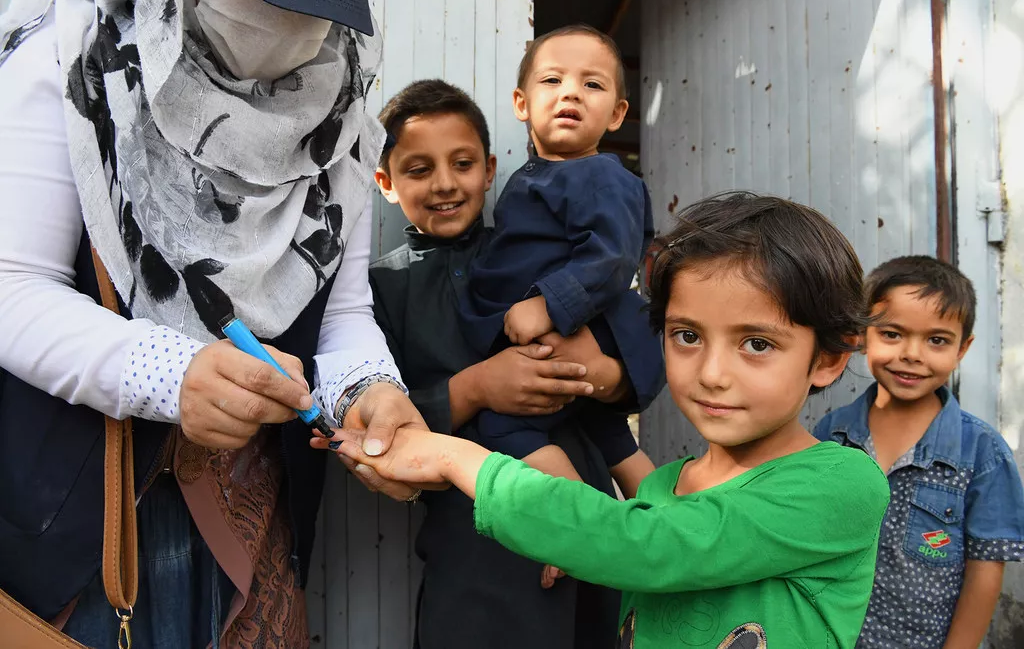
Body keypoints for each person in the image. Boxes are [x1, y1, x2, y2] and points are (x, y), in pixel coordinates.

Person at [0, 0, 429, 646]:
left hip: (250, 530)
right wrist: (169, 372)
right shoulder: (81, 51)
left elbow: (341, 313)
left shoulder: (337, 108)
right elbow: (13, 286)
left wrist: (369, 390)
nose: (284, 19)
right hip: (89, 533)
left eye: (313, 0)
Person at [319, 191, 893, 649]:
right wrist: (571, 543)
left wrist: (453, 454)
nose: (713, 373)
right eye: (687, 336)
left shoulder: (840, 482)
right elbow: (626, 552)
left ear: (828, 359)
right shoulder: (667, 485)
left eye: (757, 344)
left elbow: (645, 545)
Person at [364, 78, 664, 648]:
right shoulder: (379, 291)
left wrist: (600, 374)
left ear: (490, 169)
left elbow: (630, 333)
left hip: (588, 516)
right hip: (471, 540)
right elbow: (381, 420)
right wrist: (476, 389)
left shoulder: (539, 259)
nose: (446, 184)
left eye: (462, 163)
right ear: (386, 182)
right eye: (419, 169)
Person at [457, 24, 657, 484]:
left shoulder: (602, 176)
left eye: (592, 84)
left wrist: (549, 305)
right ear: (522, 104)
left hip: (579, 324)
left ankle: (576, 519)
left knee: (503, 424)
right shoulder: (532, 176)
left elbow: (611, 258)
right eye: (553, 80)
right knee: (605, 430)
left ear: (616, 114)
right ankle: (662, 511)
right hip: (551, 326)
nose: (571, 93)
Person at [813, 256, 1024, 649]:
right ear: (862, 335)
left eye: (937, 340)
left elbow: (985, 572)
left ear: (963, 348)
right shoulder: (832, 434)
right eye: (892, 334)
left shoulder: (982, 452)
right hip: (830, 637)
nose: (912, 353)